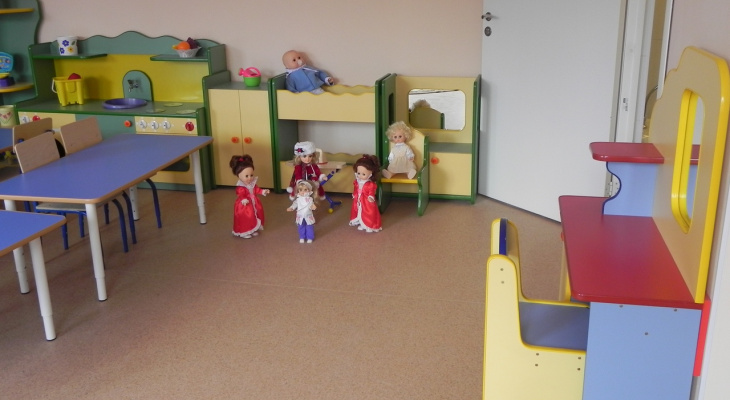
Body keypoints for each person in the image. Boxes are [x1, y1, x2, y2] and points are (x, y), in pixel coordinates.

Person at [230, 155, 269, 238]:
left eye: (251, 175)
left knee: (255, 215)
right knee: (247, 217)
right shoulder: (241, 187)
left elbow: (256, 189)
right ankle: (245, 231)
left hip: (254, 202)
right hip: (245, 205)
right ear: (239, 175)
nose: (250, 178)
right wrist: (243, 199)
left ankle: (253, 228)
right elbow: (240, 194)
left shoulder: (252, 184)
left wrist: (263, 191)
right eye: (246, 176)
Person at [349, 154, 382, 232]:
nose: (360, 176)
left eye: (363, 174)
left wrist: (371, 196)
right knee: (358, 210)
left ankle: (367, 224)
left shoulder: (370, 184)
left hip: (366, 200)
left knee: (367, 212)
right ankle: (359, 220)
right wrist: (354, 194)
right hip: (358, 198)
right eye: (358, 173)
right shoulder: (357, 181)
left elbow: (371, 191)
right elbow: (356, 188)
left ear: (371, 174)